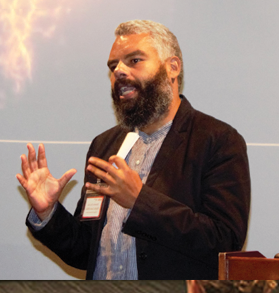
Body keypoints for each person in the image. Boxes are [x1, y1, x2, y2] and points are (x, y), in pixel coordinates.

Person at [16, 20, 250, 279]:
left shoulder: (217, 140)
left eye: (134, 60)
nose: (119, 71)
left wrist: (140, 202)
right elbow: (85, 251)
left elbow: (224, 242)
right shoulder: (105, 145)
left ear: (172, 67)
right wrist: (48, 212)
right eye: (113, 66)